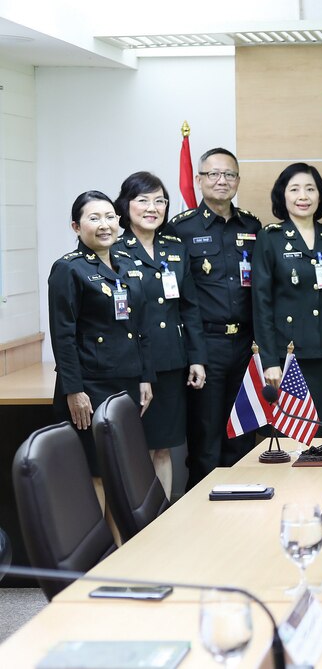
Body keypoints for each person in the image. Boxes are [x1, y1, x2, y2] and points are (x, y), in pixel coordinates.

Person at [164, 148, 262, 489]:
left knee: (243, 436)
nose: (222, 181)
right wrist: (194, 354)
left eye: (230, 175)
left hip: (246, 346)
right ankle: (201, 522)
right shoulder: (181, 229)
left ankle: (243, 514)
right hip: (206, 346)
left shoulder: (252, 225)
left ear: (238, 180)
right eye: (213, 174)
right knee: (206, 441)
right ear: (199, 180)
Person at [48, 190, 154, 473]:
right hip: (91, 386)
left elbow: (139, 326)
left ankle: (120, 521)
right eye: (94, 218)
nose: (104, 225)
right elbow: (63, 335)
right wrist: (74, 390)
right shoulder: (68, 269)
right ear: (76, 227)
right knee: (97, 472)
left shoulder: (126, 263)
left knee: (123, 473)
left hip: (127, 382)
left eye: (110, 217)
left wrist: (145, 376)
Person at [115, 172, 207, 497]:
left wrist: (197, 358)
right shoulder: (113, 249)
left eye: (159, 200)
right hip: (130, 365)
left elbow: (190, 308)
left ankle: (161, 519)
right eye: (143, 200)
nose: (152, 208)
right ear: (126, 205)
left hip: (170, 361)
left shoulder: (175, 248)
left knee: (163, 447)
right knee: (131, 449)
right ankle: (134, 526)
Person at [254, 163, 322, 425]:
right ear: (283, 195)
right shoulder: (271, 238)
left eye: (310, 189)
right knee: (287, 438)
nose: (303, 196)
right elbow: (261, 304)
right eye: (295, 189)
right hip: (285, 355)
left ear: (320, 195)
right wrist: (269, 360)